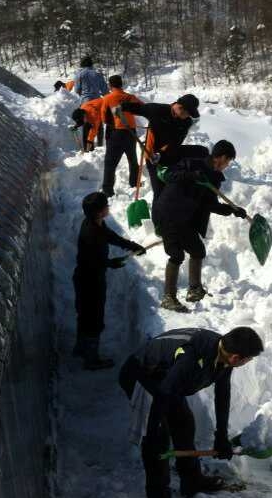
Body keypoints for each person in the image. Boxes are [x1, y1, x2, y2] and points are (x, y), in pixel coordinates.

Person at [119, 326, 264, 498]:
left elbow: (222, 393)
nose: (248, 362)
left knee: (184, 425)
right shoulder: (192, 357)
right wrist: (152, 430)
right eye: (248, 359)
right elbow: (163, 394)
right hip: (142, 375)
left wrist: (221, 436)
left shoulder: (224, 352)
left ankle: (192, 482)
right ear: (236, 358)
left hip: (168, 379)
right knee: (158, 442)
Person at [151, 140, 246, 312]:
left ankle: (194, 290)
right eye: (228, 161)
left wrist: (232, 210)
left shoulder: (214, 178)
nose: (227, 165)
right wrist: (191, 175)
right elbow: (169, 175)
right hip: (168, 212)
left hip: (185, 219)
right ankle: (169, 297)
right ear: (221, 157)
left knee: (197, 250)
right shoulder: (191, 163)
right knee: (176, 254)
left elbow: (210, 204)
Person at [73, 192, 146, 370]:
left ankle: (81, 348)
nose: (108, 207)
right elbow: (91, 260)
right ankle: (91, 359)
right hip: (89, 281)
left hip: (88, 277)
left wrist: (131, 246)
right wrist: (110, 263)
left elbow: (110, 237)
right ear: (99, 212)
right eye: (106, 205)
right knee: (93, 318)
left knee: (85, 314)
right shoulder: (91, 232)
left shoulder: (96, 224)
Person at [118, 94, 200, 201]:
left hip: (169, 154)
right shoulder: (157, 110)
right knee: (159, 192)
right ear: (181, 108)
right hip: (151, 156)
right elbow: (139, 108)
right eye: (188, 113)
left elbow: (175, 143)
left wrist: (161, 154)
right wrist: (121, 107)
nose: (188, 116)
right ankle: (158, 209)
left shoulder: (186, 122)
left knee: (200, 153)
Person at [98, 74, 143, 197]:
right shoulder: (130, 97)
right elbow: (142, 108)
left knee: (110, 163)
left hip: (116, 133)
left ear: (110, 85)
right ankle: (135, 183)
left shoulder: (107, 98)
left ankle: (108, 190)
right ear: (121, 84)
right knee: (132, 159)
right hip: (131, 132)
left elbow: (104, 118)